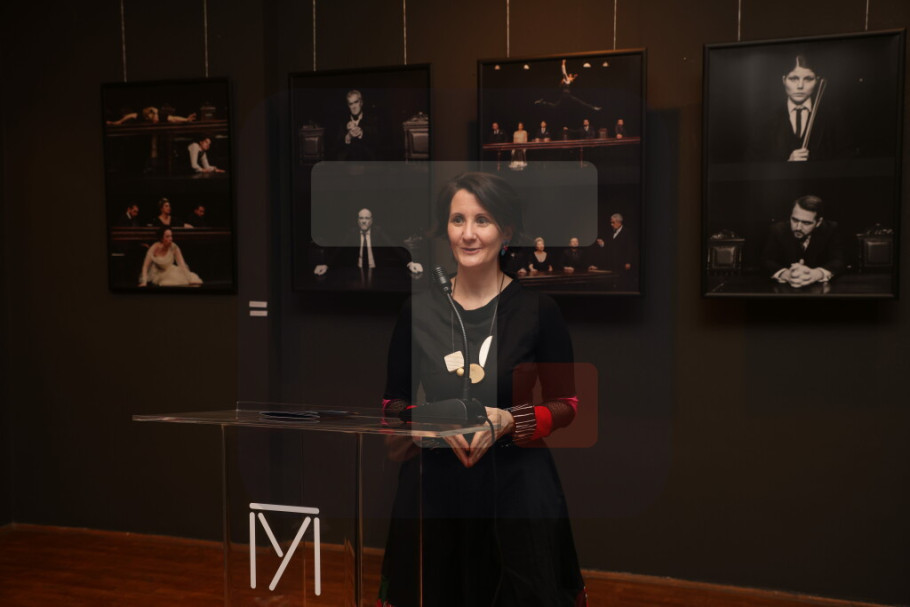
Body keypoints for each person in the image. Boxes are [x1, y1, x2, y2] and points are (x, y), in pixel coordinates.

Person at [379, 172, 586, 606]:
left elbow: (566, 404)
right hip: (434, 494)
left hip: (517, 492)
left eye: (483, 220)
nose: (468, 234)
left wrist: (512, 420)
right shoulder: (417, 310)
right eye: (458, 220)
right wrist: (426, 422)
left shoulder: (538, 310)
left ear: (506, 231)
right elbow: (391, 406)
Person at [751, 55, 842, 162]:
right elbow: (753, 161)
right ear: (784, 80)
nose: (800, 86)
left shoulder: (833, 115)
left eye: (808, 79)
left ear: (817, 81)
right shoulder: (764, 117)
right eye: (793, 79)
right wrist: (787, 164)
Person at [761, 195, 844, 287]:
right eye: (794, 220)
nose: (798, 227)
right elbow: (766, 261)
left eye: (806, 223)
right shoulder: (777, 230)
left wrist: (816, 274)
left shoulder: (831, 229)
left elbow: (838, 261)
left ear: (819, 222)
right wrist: (786, 274)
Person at [312, 208, 422, 276]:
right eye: (361, 218)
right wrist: (326, 265)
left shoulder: (378, 232)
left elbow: (394, 246)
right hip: (356, 273)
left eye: (367, 218)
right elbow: (338, 249)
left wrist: (410, 263)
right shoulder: (352, 233)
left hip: (377, 272)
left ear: (371, 220)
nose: (364, 221)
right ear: (358, 221)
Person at [138, 227, 203, 287]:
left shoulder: (174, 247)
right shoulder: (154, 247)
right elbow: (145, 266)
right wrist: (144, 282)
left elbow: (182, 264)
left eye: (171, 236)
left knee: (191, 279)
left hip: (170, 270)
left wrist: (189, 279)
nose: (170, 238)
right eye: (167, 236)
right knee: (168, 283)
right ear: (162, 238)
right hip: (158, 273)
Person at [534, 59, 601, 112]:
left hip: (567, 96)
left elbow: (571, 80)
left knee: (580, 103)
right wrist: (563, 64)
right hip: (565, 96)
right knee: (556, 106)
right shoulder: (566, 79)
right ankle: (542, 102)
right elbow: (564, 72)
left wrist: (574, 77)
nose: (572, 78)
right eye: (571, 77)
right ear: (568, 77)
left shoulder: (568, 81)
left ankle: (593, 107)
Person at [337, 89, 378, 160]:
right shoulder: (342, 123)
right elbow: (337, 148)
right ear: (348, 106)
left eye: (356, 102)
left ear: (361, 103)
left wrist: (362, 133)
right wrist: (348, 137)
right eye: (351, 104)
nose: (354, 106)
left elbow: (378, 143)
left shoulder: (373, 120)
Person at [106, 106, 197, 125]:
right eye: (150, 117)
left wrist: (186, 119)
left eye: (153, 116)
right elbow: (130, 116)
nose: (153, 119)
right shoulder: (142, 116)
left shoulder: (161, 115)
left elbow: (173, 118)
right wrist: (118, 122)